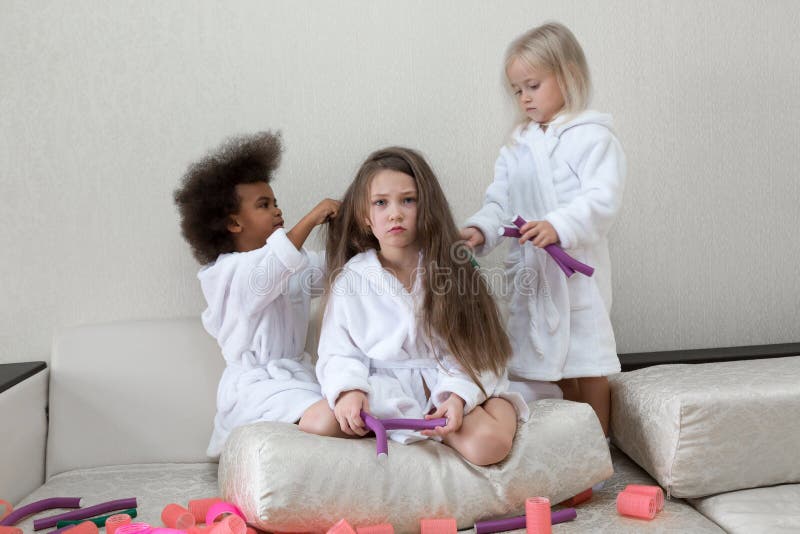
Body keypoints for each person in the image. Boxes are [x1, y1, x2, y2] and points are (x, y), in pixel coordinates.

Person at [300, 146, 529, 467]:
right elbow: (339, 351)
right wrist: (349, 390)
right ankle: (411, 424)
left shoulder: (452, 268)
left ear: (427, 208)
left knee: (487, 446)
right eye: (381, 203)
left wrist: (458, 398)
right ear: (366, 217)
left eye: (408, 200)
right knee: (316, 422)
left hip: (445, 383)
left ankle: (495, 406)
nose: (395, 213)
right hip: (383, 390)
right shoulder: (351, 278)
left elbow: (476, 347)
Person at [461, 22, 625, 435]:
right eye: (517, 90)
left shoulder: (593, 138)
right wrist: (481, 229)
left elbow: (601, 199)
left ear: (568, 74)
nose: (524, 97)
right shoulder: (517, 145)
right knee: (547, 367)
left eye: (532, 85)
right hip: (534, 274)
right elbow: (500, 201)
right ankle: (570, 445)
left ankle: (599, 444)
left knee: (589, 364)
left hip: (574, 273)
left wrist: (558, 224)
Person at [173, 131, 340, 457]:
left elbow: (333, 271)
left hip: (296, 379)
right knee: (330, 420)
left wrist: (359, 235)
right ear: (234, 222)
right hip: (256, 390)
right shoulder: (227, 275)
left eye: (276, 202)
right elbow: (267, 273)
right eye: (264, 205)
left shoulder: (290, 264)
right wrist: (313, 216)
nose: (277, 211)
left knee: (351, 407)